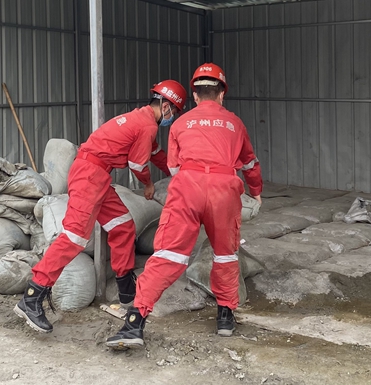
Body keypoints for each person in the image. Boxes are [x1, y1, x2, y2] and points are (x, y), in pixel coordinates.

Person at [106, 63, 262, 350]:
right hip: (224, 191)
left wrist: (192, 188)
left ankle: (134, 323)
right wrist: (256, 192)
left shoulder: (179, 123)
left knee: (167, 255)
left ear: (195, 94)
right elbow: (250, 163)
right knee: (225, 255)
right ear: (222, 94)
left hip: (187, 188)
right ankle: (225, 316)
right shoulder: (235, 123)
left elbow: (174, 167)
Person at [15, 80, 187, 333]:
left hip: (97, 176)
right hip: (89, 176)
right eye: (175, 112)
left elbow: (157, 155)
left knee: (123, 226)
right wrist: (149, 185)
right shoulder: (146, 125)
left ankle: (126, 289)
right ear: (167, 106)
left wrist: (183, 171)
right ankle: (32, 296)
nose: (172, 117)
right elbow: (138, 165)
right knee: (74, 238)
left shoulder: (140, 120)